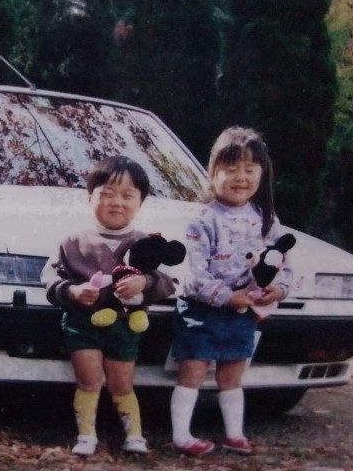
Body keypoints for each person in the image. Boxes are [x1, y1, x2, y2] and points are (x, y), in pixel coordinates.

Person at [169, 126, 293, 457]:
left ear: (261, 173)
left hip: (243, 313)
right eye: (231, 168)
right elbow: (194, 276)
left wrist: (277, 291)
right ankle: (182, 435)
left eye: (250, 169)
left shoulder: (266, 219)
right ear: (213, 172)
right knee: (193, 370)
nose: (241, 177)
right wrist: (228, 296)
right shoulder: (202, 218)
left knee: (233, 373)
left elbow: (285, 263)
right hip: (202, 309)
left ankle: (234, 433)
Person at [41, 155, 176, 456]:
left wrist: (146, 283)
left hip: (125, 326)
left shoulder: (147, 243)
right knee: (88, 381)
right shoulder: (72, 241)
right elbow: (50, 277)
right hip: (82, 324)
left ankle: (135, 436)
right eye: (107, 194)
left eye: (128, 195)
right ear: (90, 198)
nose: (117, 202)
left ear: (140, 202)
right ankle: (86, 435)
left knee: (121, 383)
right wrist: (73, 291)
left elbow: (168, 283)